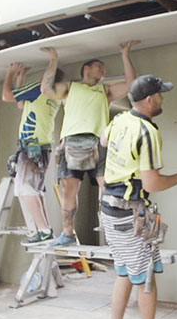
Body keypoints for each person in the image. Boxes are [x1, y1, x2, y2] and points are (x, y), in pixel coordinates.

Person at [100, 75, 177, 319]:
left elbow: (102, 140)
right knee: (145, 276)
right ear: (149, 100)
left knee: (123, 272)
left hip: (109, 208)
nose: (163, 99)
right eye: (160, 94)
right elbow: (152, 184)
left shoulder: (120, 120)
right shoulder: (147, 131)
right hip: (131, 214)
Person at [40, 41, 140, 246]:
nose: (103, 70)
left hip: (99, 143)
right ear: (86, 69)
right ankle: (68, 233)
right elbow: (45, 88)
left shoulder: (105, 91)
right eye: (99, 66)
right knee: (69, 190)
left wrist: (125, 53)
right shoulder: (70, 88)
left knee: (109, 188)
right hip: (71, 143)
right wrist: (53, 60)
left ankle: (119, 233)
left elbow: (132, 85)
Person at [1, 55, 63, 245]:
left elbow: (7, 96)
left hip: (31, 147)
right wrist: (21, 78)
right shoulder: (55, 96)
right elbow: (21, 104)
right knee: (36, 190)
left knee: (26, 189)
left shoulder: (39, 89)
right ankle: (46, 230)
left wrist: (10, 73)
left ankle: (44, 231)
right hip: (41, 148)